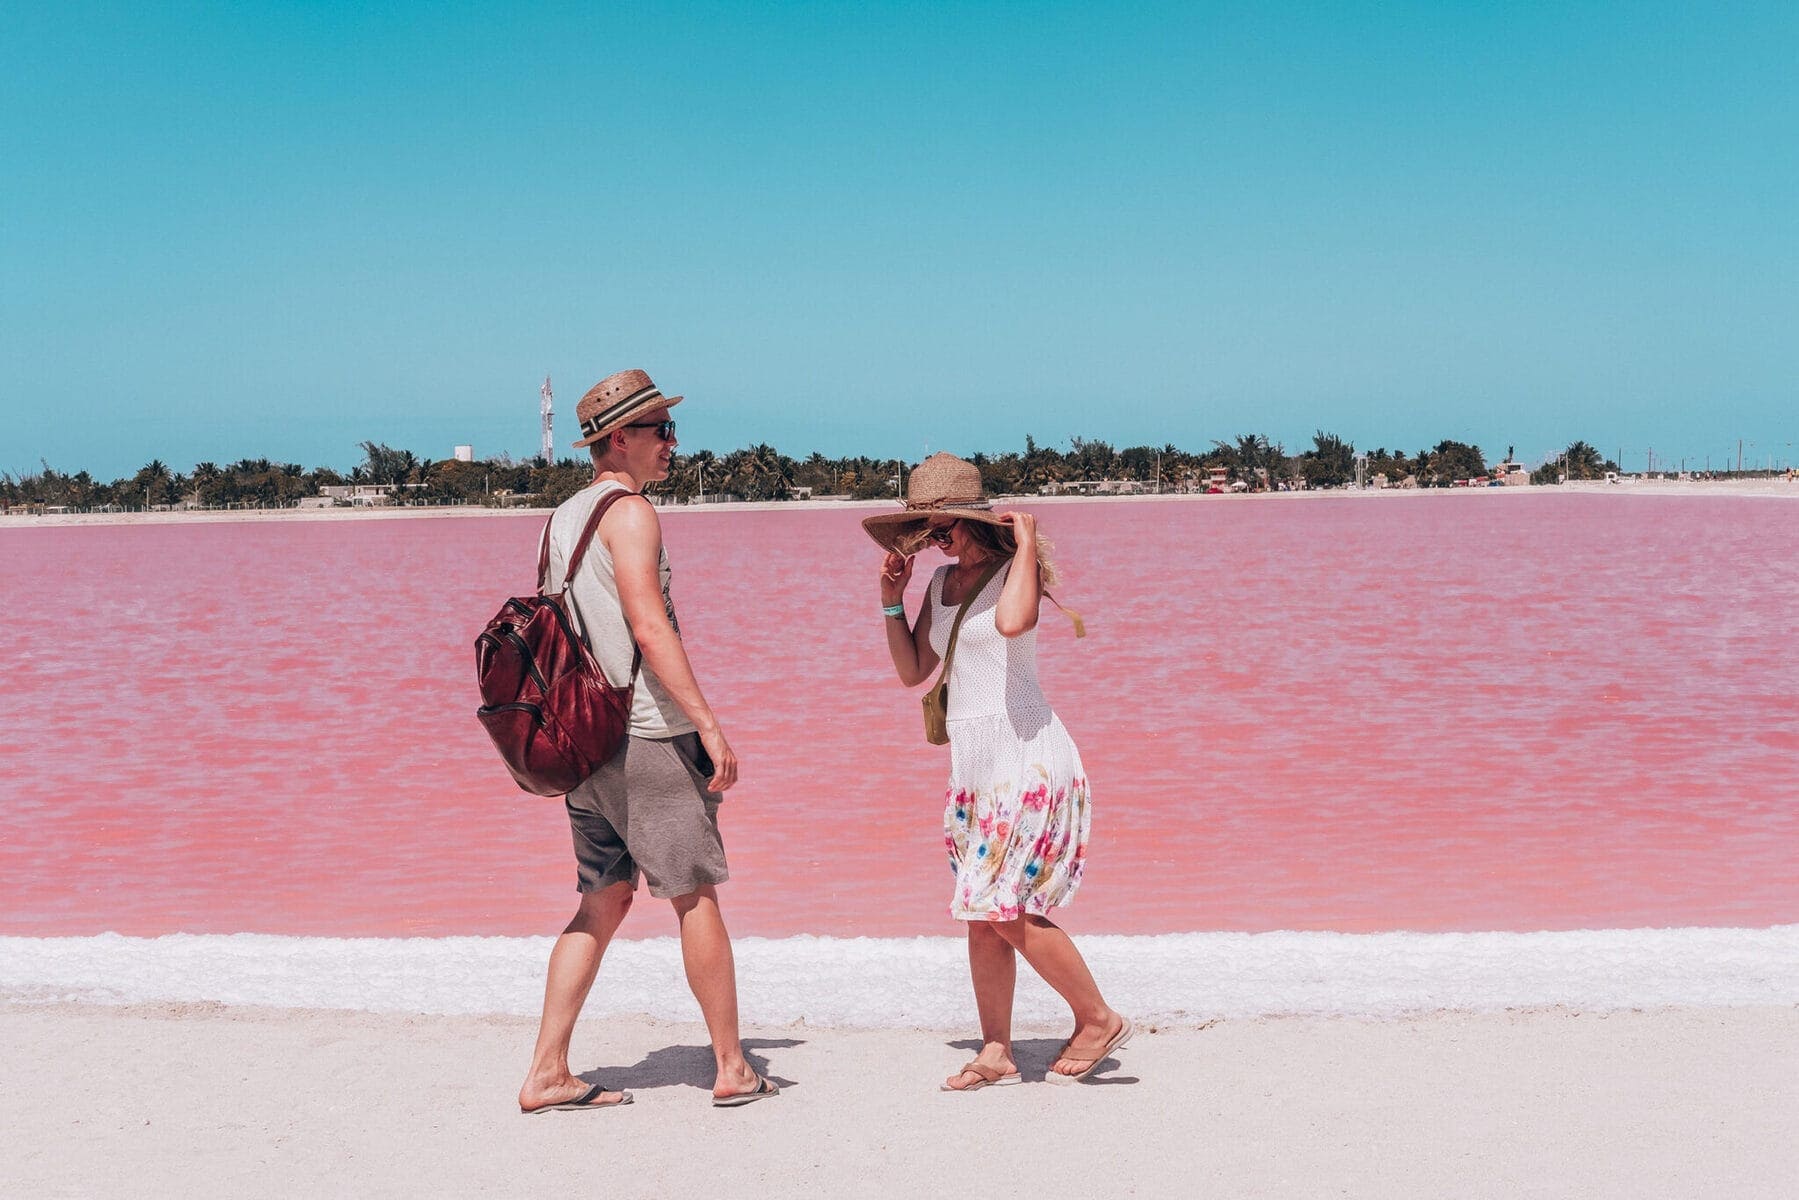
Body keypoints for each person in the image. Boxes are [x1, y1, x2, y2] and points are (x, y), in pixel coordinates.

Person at [517, 368, 776, 1113]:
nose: (672, 443)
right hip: (644, 735)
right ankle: (731, 1066)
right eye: (660, 430)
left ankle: (546, 1071)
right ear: (619, 439)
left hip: (583, 742)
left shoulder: (562, 517)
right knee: (694, 895)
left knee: (601, 899)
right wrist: (710, 725)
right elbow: (647, 626)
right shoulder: (629, 512)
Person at [864, 452, 1132, 1091]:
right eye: (928, 529)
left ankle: (1097, 1017)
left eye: (945, 525)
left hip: (1029, 757)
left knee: (1002, 906)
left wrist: (1029, 540)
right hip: (975, 767)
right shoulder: (940, 585)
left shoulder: (1017, 572)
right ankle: (996, 1050)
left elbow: (1014, 624)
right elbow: (912, 673)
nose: (937, 538)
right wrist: (890, 601)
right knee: (980, 912)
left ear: (974, 521)